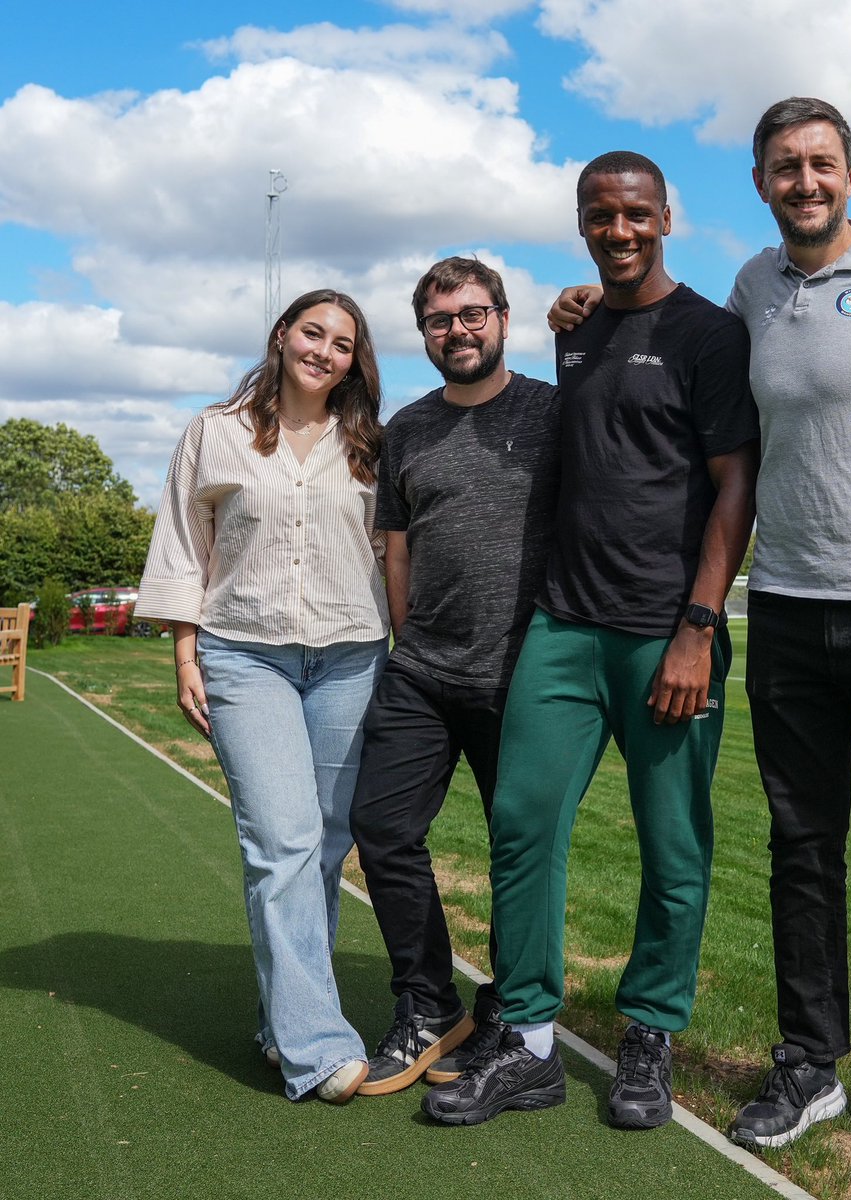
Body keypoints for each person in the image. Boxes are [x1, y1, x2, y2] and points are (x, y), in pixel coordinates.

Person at [548, 99, 851, 1181]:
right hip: (790, 611)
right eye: (785, 167)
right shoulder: (751, 291)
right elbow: (664, 329)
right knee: (802, 852)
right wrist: (584, 306)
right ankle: (810, 1061)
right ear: (758, 182)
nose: (805, 181)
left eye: (821, 163)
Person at [421, 151, 759, 1131]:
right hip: (563, 629)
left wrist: (699, 629)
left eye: (635, 214)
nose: (619, 230)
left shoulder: (711, 335)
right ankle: (525, 1039)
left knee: (673, 844)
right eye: (600, 216)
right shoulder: (574, 331)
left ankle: (650, 1030)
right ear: (581, 224)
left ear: (666, 216)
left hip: (667, 634)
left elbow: (736, 484)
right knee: (523, 823)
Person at [134, 290, 391, 1105]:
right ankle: (319, 1049)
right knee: (281, 840)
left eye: (342, 343)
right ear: (281, 337)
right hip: (245, 656)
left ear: (356, 359)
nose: (324, 351)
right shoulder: (214, 431)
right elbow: (181, 538)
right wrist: (185, 652)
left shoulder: (372, 443)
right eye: (312, 332)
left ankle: (283, 1022)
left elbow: (395, 549)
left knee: (321, 846)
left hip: (352, 655)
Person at [348, 257, 560, 1097]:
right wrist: (409, 641)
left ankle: (511, 1012)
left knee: (521, 851)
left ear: (504, 319)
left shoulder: (553, 412)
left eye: (473, 314)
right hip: (425, 672)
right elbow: (396, 546)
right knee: (382, 827)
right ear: (424, 333)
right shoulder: (407, 428)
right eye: (440, 320)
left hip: (529, 675)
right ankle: (427, 1004)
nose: (458, 330)